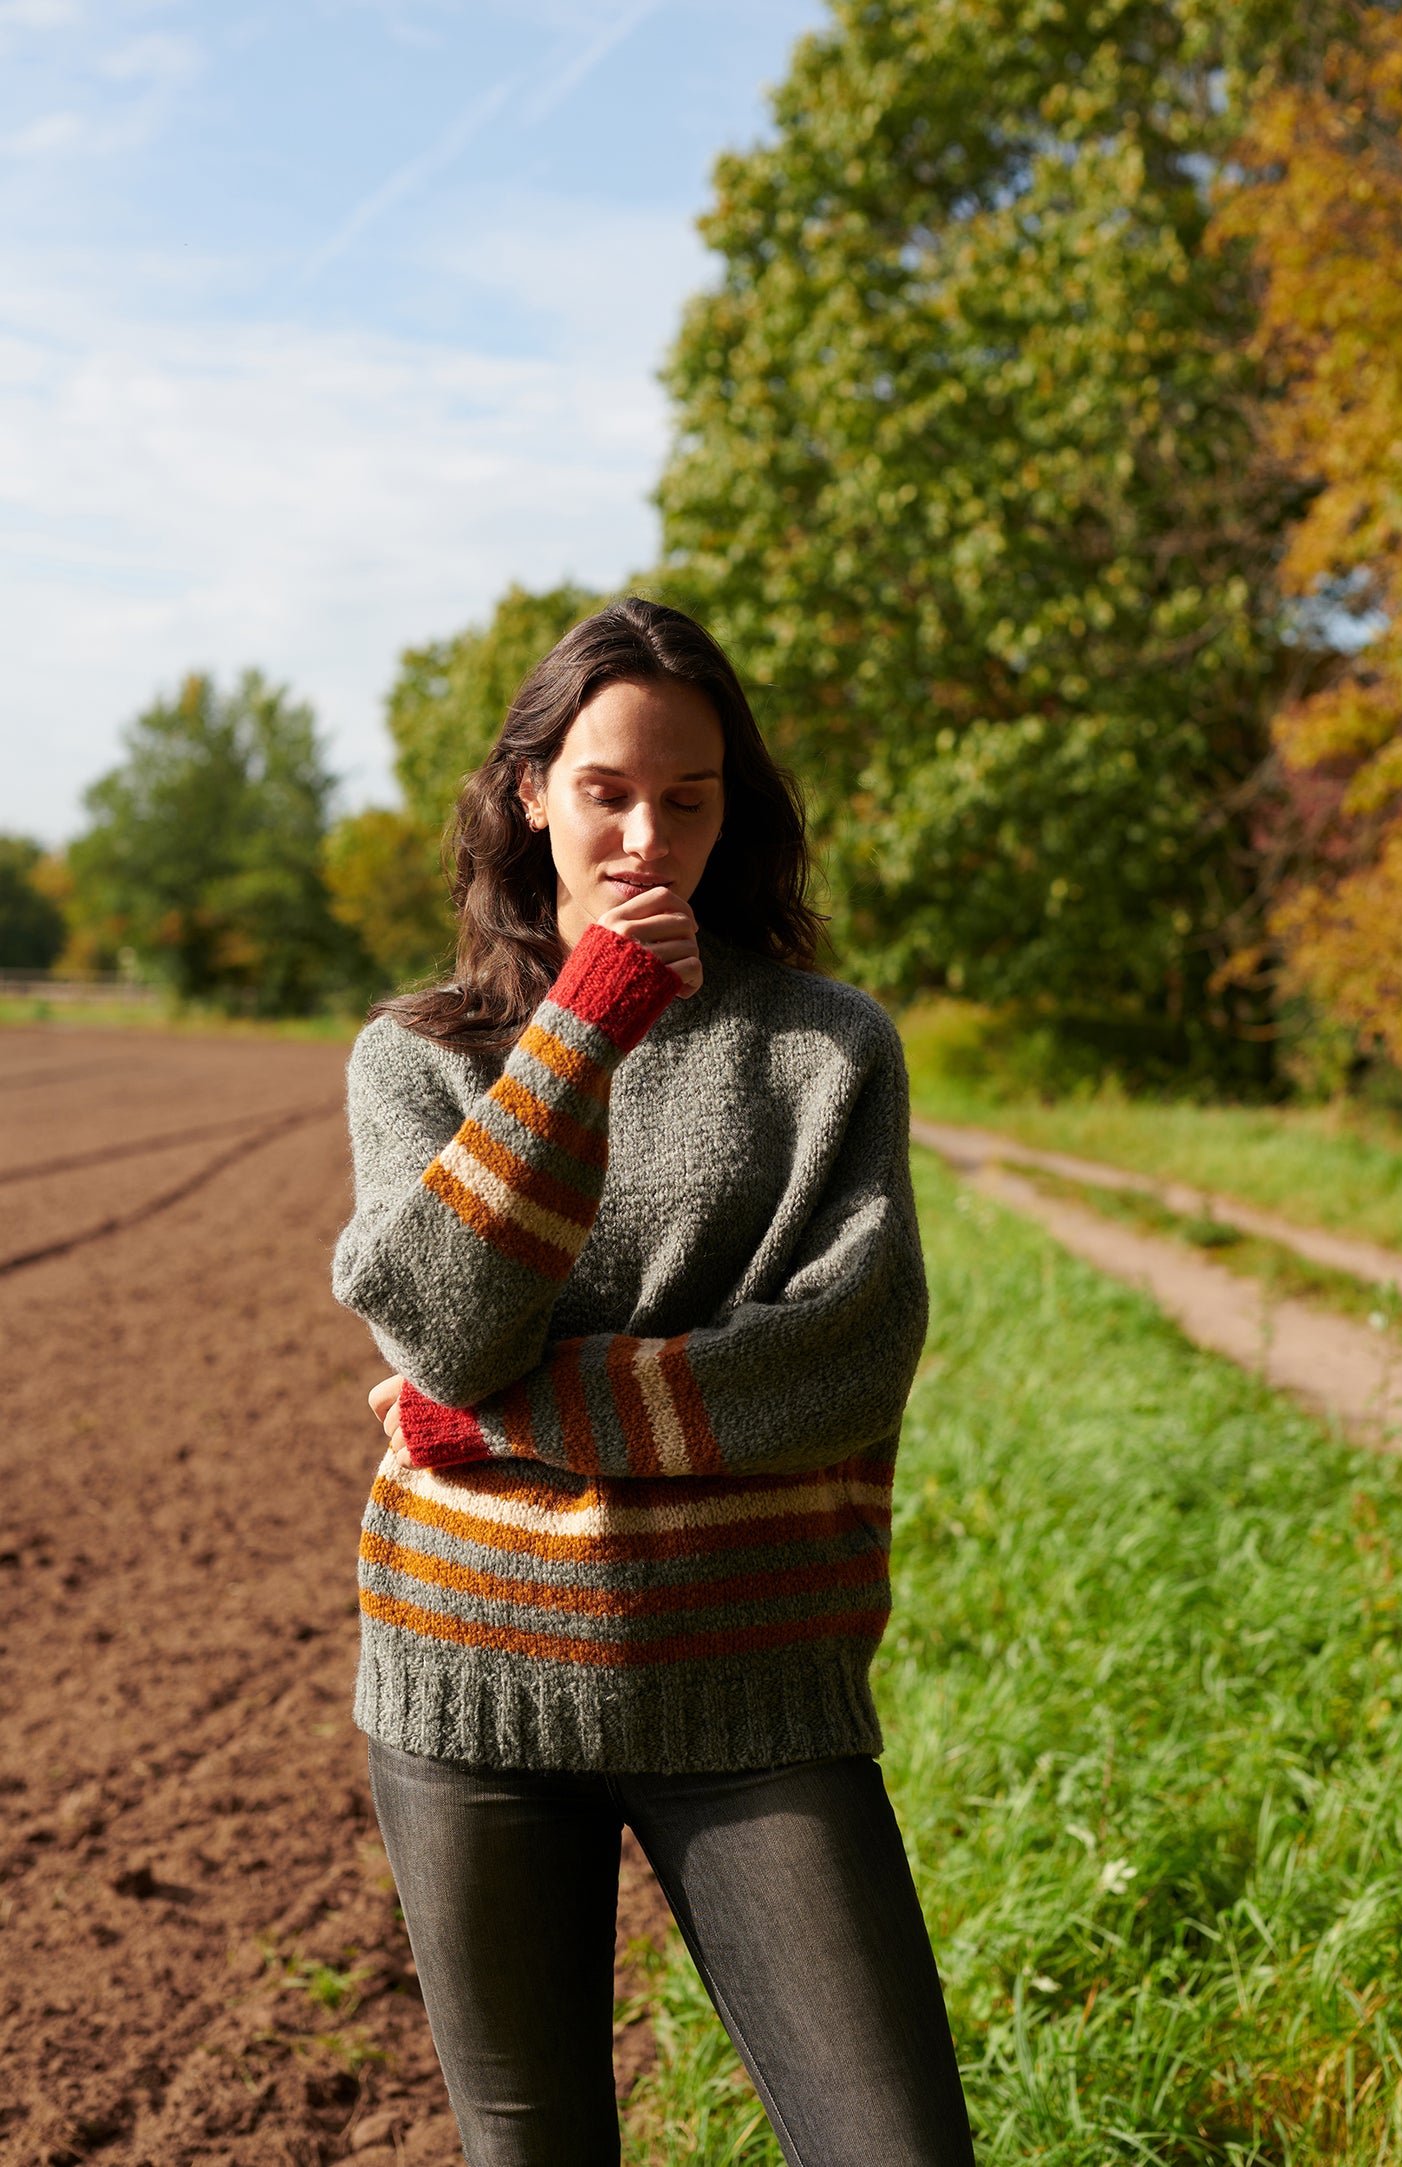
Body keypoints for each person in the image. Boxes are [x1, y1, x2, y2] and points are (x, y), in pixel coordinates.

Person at [332, 597, 974, 2167]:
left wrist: (483, 1423)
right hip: (467, 1677)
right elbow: (445, 1320)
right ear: (529, 791)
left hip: (747, 1679)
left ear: (728, 812)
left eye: (688, 800)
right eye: (607, 790)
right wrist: (589, 1020)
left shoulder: (826, 1050)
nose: (645, 836)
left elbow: (840, 1360)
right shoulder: (415, 1058)